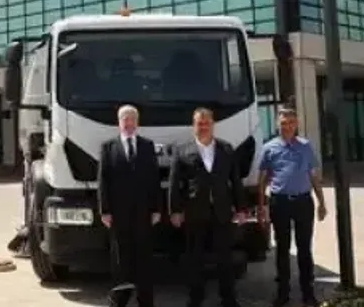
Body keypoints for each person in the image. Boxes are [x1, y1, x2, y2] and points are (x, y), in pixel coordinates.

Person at [168, 107, 246, 307]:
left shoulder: (226, 149)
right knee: (195, 258)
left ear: (213, 125)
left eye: (206, 123)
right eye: (199, 123)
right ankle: (196, 298)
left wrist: (241, 208)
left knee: (225, 258)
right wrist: (175, 211)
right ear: (193, 126)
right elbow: (174, 184)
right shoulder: (182, 150)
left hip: (222, 211)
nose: (203, 127)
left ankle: (228, 298)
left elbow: (235, 181)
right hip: (194, 212)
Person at [258, 107, 327, 307]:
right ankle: (283, 293)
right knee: (282, 248)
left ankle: (308, 293)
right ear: (277, 124)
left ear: (296, 124)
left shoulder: (305, 146)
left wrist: (322, 202)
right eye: (283, 123)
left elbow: (313, 176)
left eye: (290, 123)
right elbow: (263, 180)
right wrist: (261, 207)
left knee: (304, 248)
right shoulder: (269, 148)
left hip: (303, 202)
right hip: (279, 203)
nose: (287, 127)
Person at [98, 104, 161, 307]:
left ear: (137, 122)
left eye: (132, 119)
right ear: (119, 123)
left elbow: (154, 179)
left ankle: (146, 301)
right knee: (121, 260)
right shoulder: (108, 147)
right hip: (118, 214)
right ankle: (119, 301)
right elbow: (103, 181)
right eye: (125, 119)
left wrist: (156, 209)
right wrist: (105, 210)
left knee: (144, 259)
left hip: (143, 212)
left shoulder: (147, 146)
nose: (128, 123)